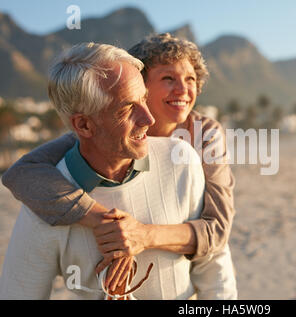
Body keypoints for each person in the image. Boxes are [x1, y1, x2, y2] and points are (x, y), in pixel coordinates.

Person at [0, 42, 237, 299]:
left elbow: (215, 247)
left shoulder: (189, 156)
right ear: (83, 126)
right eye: (126, 108)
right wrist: (106, 222)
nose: (149, 119)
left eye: (143, 100)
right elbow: (20, 172)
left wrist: (142, 235)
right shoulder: (44, 200)